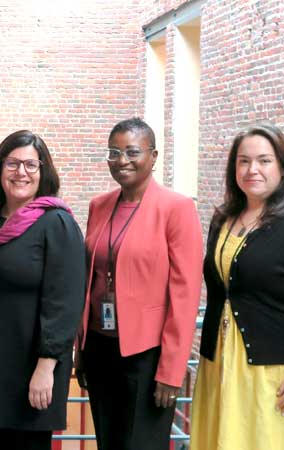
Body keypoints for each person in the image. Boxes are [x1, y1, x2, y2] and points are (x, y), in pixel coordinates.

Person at [190, 123, 284, 450]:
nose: (252, 170)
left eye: (264, 160)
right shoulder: (223, 218)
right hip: (223, 365)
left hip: (280, 374)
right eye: (243, 161)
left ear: (283, 167)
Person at [74, 118, 203, 450]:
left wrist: (172, 370)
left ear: (154, 155)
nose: (122, 161)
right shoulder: (99, 205)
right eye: (114, 152)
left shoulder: (177, 208)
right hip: (100, 348)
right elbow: (90, 279)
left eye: (132, 152)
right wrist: (82, 351)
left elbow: (185, 294)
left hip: (148, 355)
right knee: (109, 442)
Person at [0, 130, 86, 450]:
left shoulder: (57, 223)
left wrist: (46, 367)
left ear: (43, 172)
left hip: (34, 368)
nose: (21, 172)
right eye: (13, 163)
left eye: (31, 165)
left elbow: (66, 301)